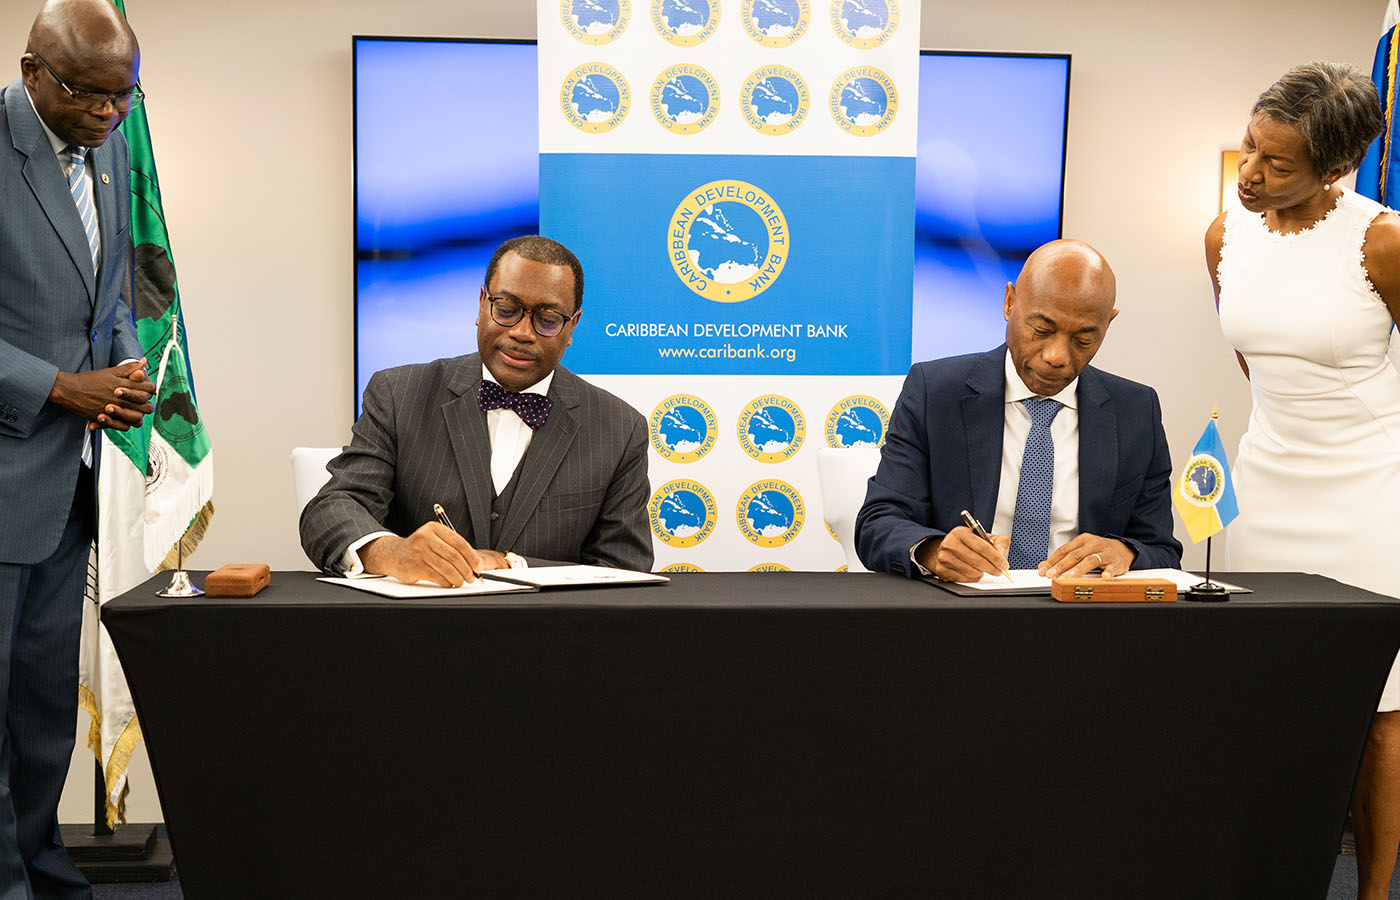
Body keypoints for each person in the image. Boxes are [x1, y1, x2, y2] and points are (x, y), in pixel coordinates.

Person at [1206, 61, 1400, 900]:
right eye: (1250, 146)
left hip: (1371, 488)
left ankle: (1373, 890)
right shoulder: (1223, 232)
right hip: (1266, 484)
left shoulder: (1382, 240)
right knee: (1258, 692)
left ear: (1335, 167)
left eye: (1275, 163)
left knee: (1381, 714)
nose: (1249, 172)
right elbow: (1257, 360)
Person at [0, 0, 151, 896]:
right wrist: (59, 388)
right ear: (31, 71)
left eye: (121, 99)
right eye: (89, 96)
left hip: (71, 486)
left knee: (46, 708)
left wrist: (123, 363)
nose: (106, 115)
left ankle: (40, 868)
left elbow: (114, 294)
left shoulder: (111, 145)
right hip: (8, 466)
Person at [301, 235, 653, 583]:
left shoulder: (620, 429)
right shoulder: (398, 394)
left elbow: (623, 567)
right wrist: (391, 552)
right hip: (415, 631)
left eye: (546, 319)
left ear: (571, 326)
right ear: (482, 303)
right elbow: (332, 508)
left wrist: (513, 565)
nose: (522, 332)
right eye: (506, 310)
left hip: (550, 633)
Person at [855, 239, 1181, 582]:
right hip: (962, 615)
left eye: (1084, 339)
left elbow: (1162, 549)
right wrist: (933, 550)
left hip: (1082, 617)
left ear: (1108, 324)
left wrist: (1126, 552)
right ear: (1010, 302)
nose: (1057, 356)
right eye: (1041, 330)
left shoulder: (1135, 410)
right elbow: (878, 523)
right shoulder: (935, 392)